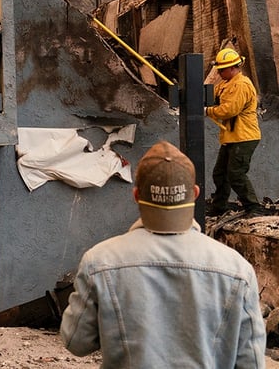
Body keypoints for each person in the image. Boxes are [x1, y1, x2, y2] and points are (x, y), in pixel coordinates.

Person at [60, 140, 266, 368]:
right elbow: (252, 363)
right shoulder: (237, 269)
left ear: (137, 195)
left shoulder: (100, 261)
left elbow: (75, 341)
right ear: (195, 193)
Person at [204, 47, 264, 216]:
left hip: (244, 137)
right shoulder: (225, 84)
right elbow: (212, 95)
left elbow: (229, 110)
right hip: (231, 137)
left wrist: (207, 111)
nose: (219, 73)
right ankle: (219, 207)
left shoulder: (242, 85)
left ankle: (254, 208)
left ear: (233, 68)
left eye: (221, 69)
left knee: (236, 174)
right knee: (220, 173)